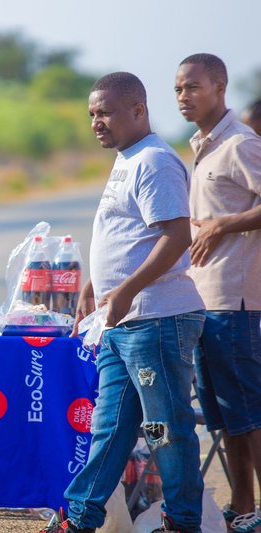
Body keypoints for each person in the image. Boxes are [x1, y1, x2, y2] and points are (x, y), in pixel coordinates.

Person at [42, 72, 206, 533]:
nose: (96, 122)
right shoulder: (127, 158)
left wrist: (127, 290)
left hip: (157, 318)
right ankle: (80, 519)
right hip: (124, 320)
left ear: (138, 111)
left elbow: (177, 236)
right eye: (92, 114)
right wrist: (95, 285)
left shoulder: (154, 160)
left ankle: (183, 523)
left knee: (165, 430)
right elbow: (128, 234)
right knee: (110, 428)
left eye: (106, 113)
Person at [175, 53, 261, 533]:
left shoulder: (240, 144)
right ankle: (243, 508)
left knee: (249, 412)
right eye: (178, 89)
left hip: (235, 301)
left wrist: (224, 224)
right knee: (225, 419)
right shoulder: (202, 146)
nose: (183, 96)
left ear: (220, 87)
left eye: (192, 87)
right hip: (202, 301)